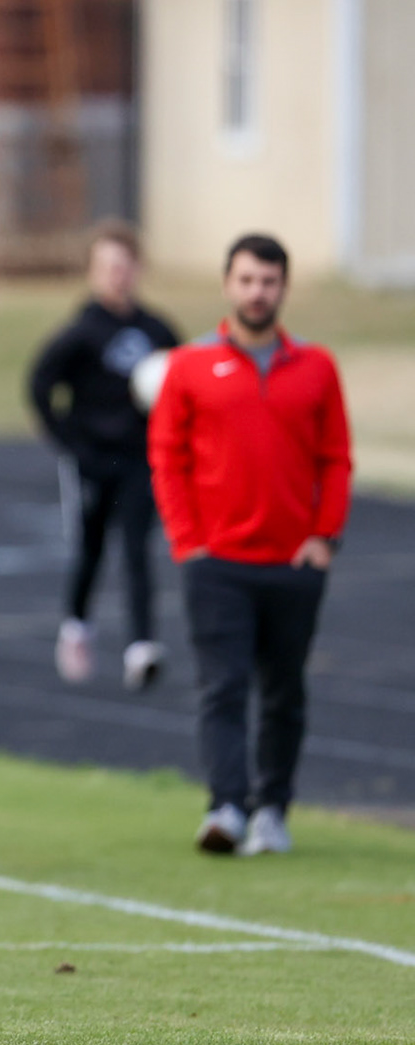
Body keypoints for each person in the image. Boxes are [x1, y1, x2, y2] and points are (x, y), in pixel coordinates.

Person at [148, 234, 351, 856]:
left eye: (269, 281)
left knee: (284, 691)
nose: (257, 292)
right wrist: (189, 543)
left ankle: (273, 810)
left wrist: (322, 539)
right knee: (224, 687)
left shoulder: (316, 367)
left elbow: (336, 459)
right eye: (247, 280)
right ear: (227, 284)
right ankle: (227, 808)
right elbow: (166, 458)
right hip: (218, 565)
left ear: (283, 288)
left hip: (293, 564)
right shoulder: (188, 366)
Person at [28, 221, 181, 689]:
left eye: (125, 265)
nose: (118, 275)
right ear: (94, 271)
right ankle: (76, 625)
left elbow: (183, 394)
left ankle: (141, 648)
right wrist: (71, 444)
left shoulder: (158, 331)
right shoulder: (80, 333)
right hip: (93, 460)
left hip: (139, 460)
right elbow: (39, 387)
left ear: (138, 269)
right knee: (91, 548)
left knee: (137, 548)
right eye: (108, 266)